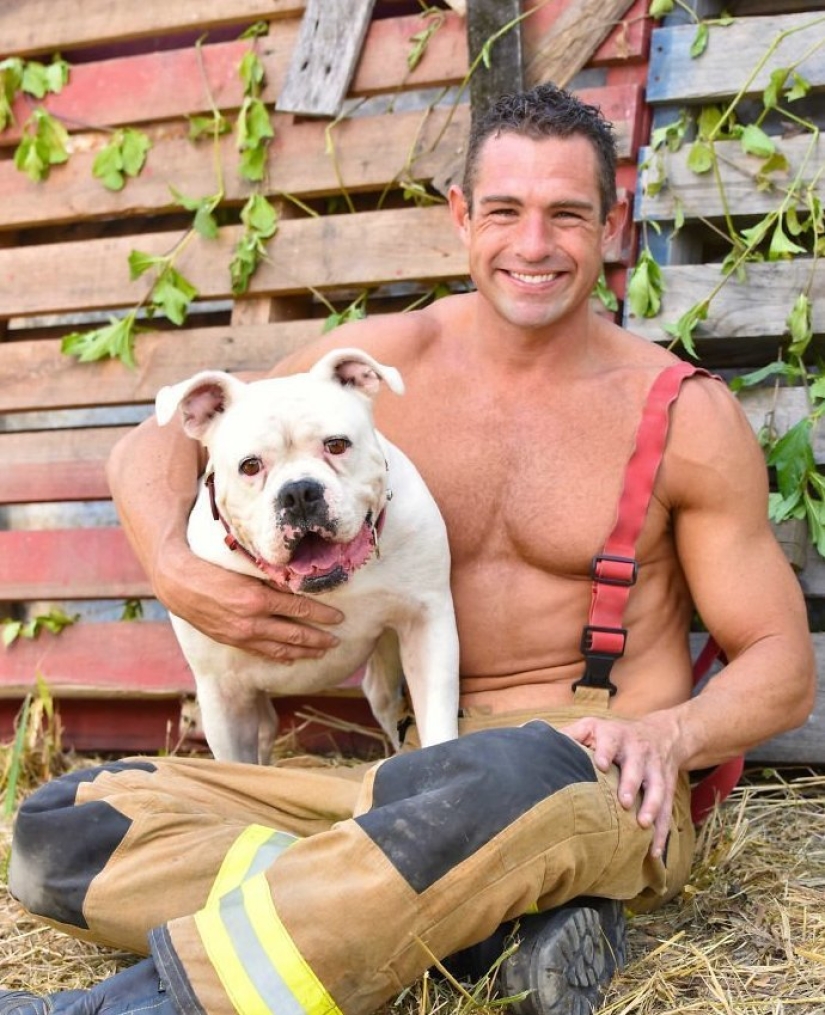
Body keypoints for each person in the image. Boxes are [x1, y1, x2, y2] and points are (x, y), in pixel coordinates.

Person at [1, 83, 815, 1015]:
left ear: (611, 221)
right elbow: (151, 445)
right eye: (504, 210)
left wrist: (670, 735)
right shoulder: (381, 362)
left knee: (509, 769)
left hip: (579, 769)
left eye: (566, 214)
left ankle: (116, 1009)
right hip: (393, 784)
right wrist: (178, 571)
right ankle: (478, 939)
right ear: (461, 216)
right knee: (65, 826)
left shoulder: (682, 413)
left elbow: (783, 665)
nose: (534, 245)